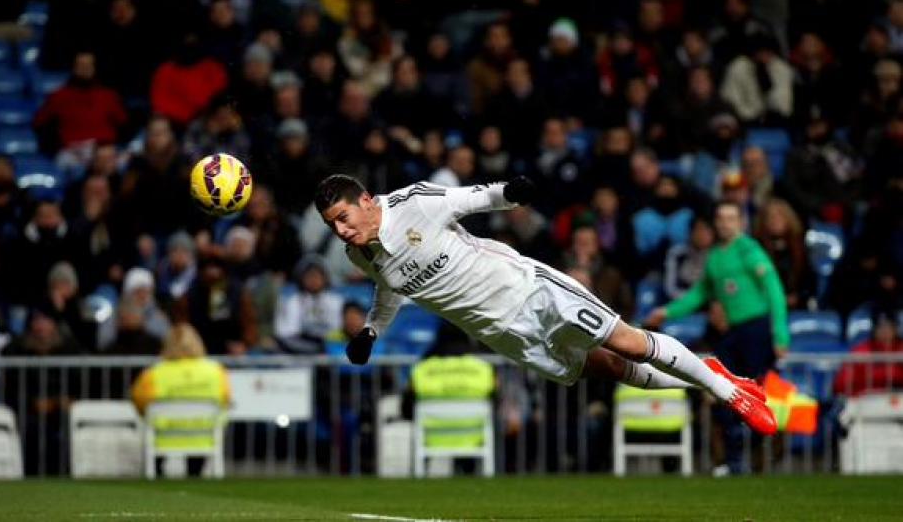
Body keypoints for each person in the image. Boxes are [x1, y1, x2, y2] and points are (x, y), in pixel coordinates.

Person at [313, 174, 776, 436]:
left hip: (532, 293)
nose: (340, 231)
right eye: (332, 224)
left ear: (366, 201)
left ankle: (728, 394)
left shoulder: (415, 204)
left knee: (630, 345)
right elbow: (391, 287)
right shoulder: (361, 253)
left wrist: (512, 192)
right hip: (505, 334)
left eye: (343, 217)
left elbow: (477, 198)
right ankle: (708, 374)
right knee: (611, 370)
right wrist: (373, 330)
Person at [646, 201, 788, 473]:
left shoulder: (748, 249)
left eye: (731, 218)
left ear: (741, 222)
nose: (725, 223)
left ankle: (763, 460)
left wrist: (780, 333)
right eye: (721, 218)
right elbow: (700, 294)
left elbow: (773, 289)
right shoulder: (715, 257)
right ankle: (733, 462)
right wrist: (667, 312)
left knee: (759, 394)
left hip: (756, 329)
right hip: (734, 332)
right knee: (726, 393)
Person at [131, 324, 230, 477]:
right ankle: (195, 475)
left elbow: (139, 402)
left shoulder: (154, 373)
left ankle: (158, 475)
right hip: (204, 435)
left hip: (163, 436)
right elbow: (225, 399)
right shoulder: (215, 371)